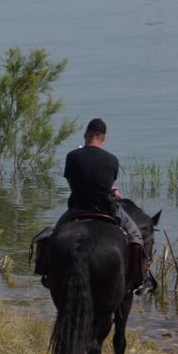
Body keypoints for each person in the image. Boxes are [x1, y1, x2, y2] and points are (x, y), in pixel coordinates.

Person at [57, 117, 147, 290]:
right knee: (136, 234)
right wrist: (114, 193)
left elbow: (73, 186)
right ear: (103, 138)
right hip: (107, 209)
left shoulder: (72, 156)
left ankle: (47, 271)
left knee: (55, 233)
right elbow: (105, 186)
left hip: (78, 208)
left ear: (86, 134)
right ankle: (139, 278)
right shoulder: (112, 160)